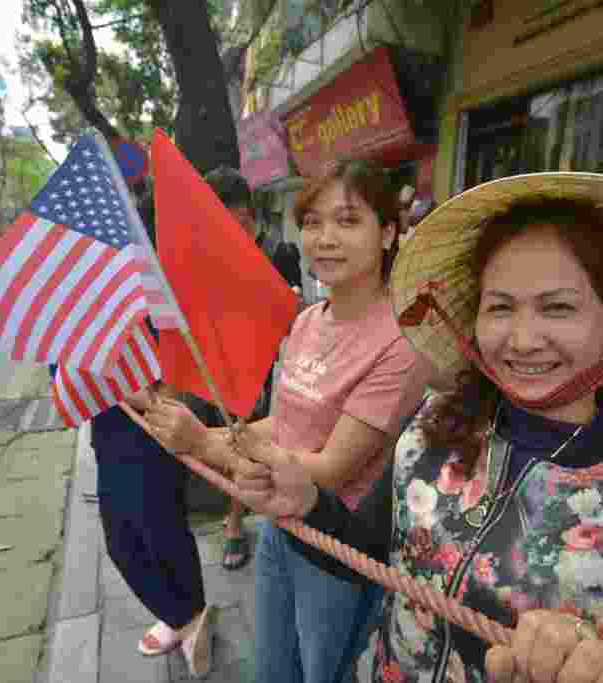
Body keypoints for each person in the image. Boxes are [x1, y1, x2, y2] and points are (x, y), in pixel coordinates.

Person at [227, 173, 603, 683]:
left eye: (559, 308)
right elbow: (363, 556)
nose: (523, 340)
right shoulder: (431, 432)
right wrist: (308, 504)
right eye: (500, 307)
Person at [144, 159, 434, 683]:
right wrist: (197, 432)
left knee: (323, 674)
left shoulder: (400, 342)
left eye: (348, 221)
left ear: (389, 233)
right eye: (312, 222)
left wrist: (205, 446)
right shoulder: (306, 322)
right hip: (280, 529)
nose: (325, 238)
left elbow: (329, 470)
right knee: (273, 672)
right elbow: (281, 424)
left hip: (335, 550)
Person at [63, 187, 217, 676]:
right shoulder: (88, 295)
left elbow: (183, 383)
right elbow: (66, 377)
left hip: (154, 440)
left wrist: (142, 394)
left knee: (162, 533)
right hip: (109, 439)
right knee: (121, 542)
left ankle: (190, 614)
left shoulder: (166, 291)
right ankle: (185, 614)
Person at [201, 165, 302, 571]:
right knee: (217, 442)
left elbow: (295, 320)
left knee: (244, 440)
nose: (231, 233)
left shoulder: (279, 253)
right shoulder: (206, 254)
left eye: (238, 223)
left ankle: (235, 522)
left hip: (256, 366)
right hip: (212, 360)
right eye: (220, 223)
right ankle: (236, 507)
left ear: (251, 215)